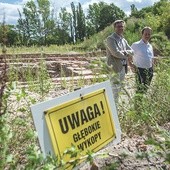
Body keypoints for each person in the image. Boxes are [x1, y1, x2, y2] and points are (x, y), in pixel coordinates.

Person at [105, 20, 134, 103]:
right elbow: (116, 53)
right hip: (114, 68)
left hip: (123, 68)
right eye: (118, 26)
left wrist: (125, 52)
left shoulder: (123, 40)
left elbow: (132, 51)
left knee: (118, 89)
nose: (120, 28)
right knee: (114, 90)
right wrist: (126, 53)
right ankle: (113, 110)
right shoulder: (110, 39)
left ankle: (116, 109)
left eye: (122, 26)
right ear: (114, 28)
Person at [131, 27, 154, 93]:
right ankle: (138, 102)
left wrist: (152, 69)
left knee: (146, 88)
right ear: (142, 34)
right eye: (145, 34)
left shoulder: (150, 46)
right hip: (140, 70)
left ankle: (142, 101)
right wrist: (131, 65)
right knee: (140, 88)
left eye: (149, 34)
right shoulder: (135, 45)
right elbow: (128, 56)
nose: (147, 36)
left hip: (149, 70)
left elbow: (151, 58)